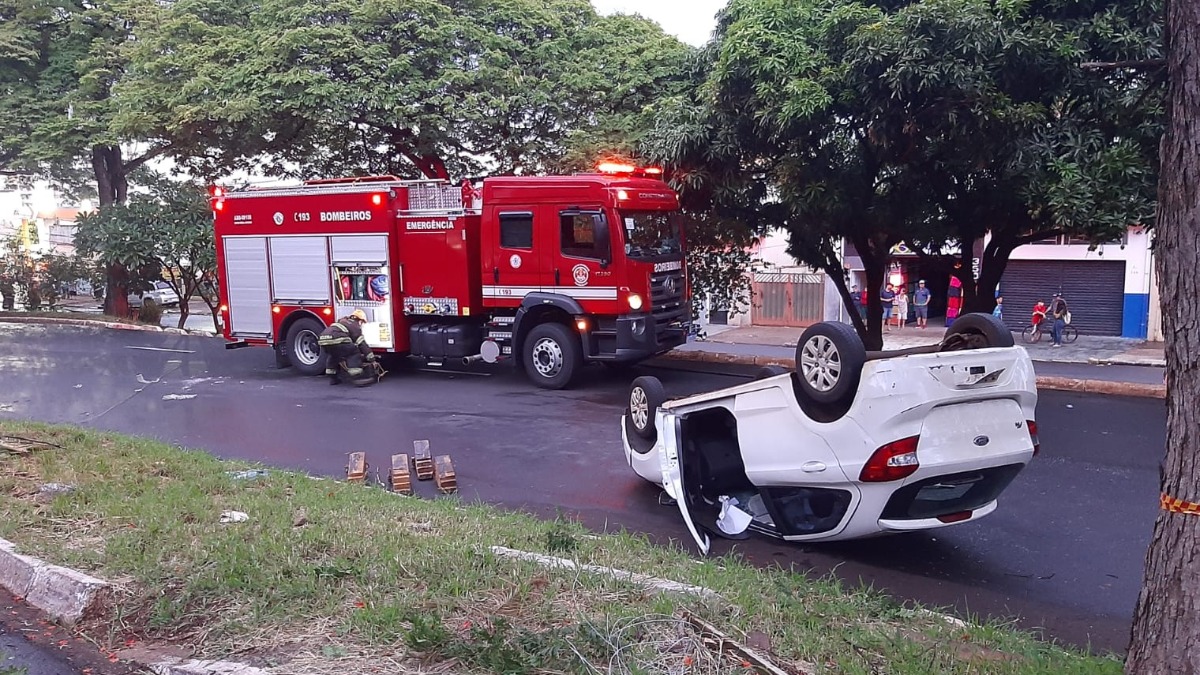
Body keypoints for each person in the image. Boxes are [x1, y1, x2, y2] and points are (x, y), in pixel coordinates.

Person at [318, 309, 378, 385]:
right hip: (337, 339)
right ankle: (357, 377)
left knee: (334, 354)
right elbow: (362, 344)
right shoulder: (355, 327)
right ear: (360, 320)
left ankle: (333, 377)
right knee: (353, 352)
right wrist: (372, 360)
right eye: (362, 322)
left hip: (323, 340)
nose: (362, 324)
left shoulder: (342, 321)